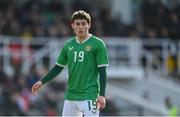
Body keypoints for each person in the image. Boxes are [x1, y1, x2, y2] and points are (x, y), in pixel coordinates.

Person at [31, 10, 109, 116]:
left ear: (89, 25)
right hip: (71, 96)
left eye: (83, 24)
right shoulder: (68, 45)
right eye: (77, 24)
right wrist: (42, 82)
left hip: (89, 95)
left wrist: (102, 95)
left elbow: (102, 71)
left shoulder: (98, 44)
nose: (80, 27)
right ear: (72, 25)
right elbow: (58, 67)